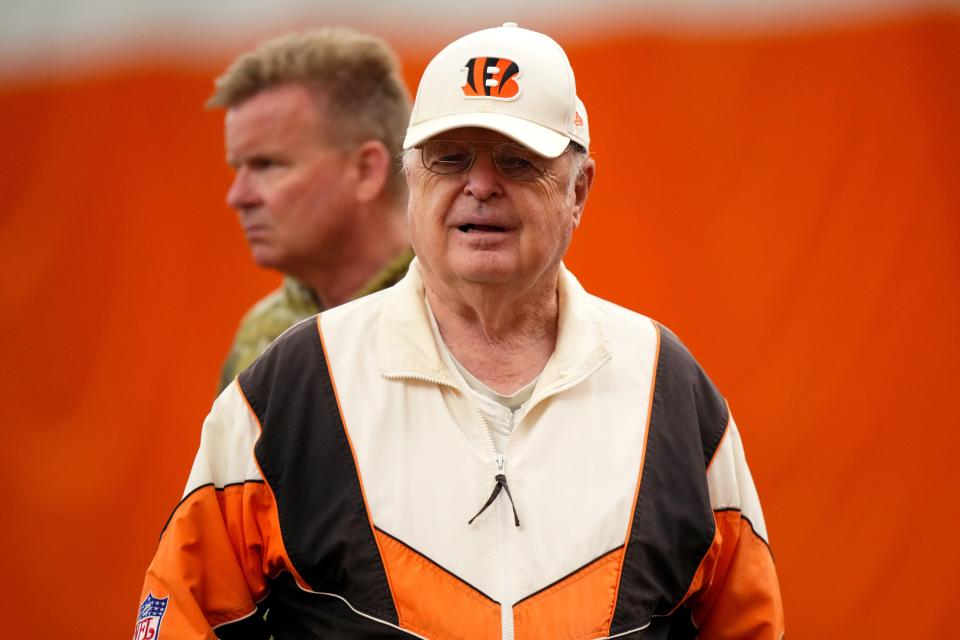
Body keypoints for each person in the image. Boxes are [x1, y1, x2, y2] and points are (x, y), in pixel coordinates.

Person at [136, 23, 785, 639]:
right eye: (449, 159)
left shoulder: (667, 390)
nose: (480, 185)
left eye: (517, 160)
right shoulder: (297, 385)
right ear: (409, 179)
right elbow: (184, 613)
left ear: (579, 190)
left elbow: (745, 622)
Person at [209, 27, 414, 392]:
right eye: (237, 168)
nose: (237, 196)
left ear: (366, 170)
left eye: (267, 165)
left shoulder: (461, 313)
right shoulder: (261, 335)